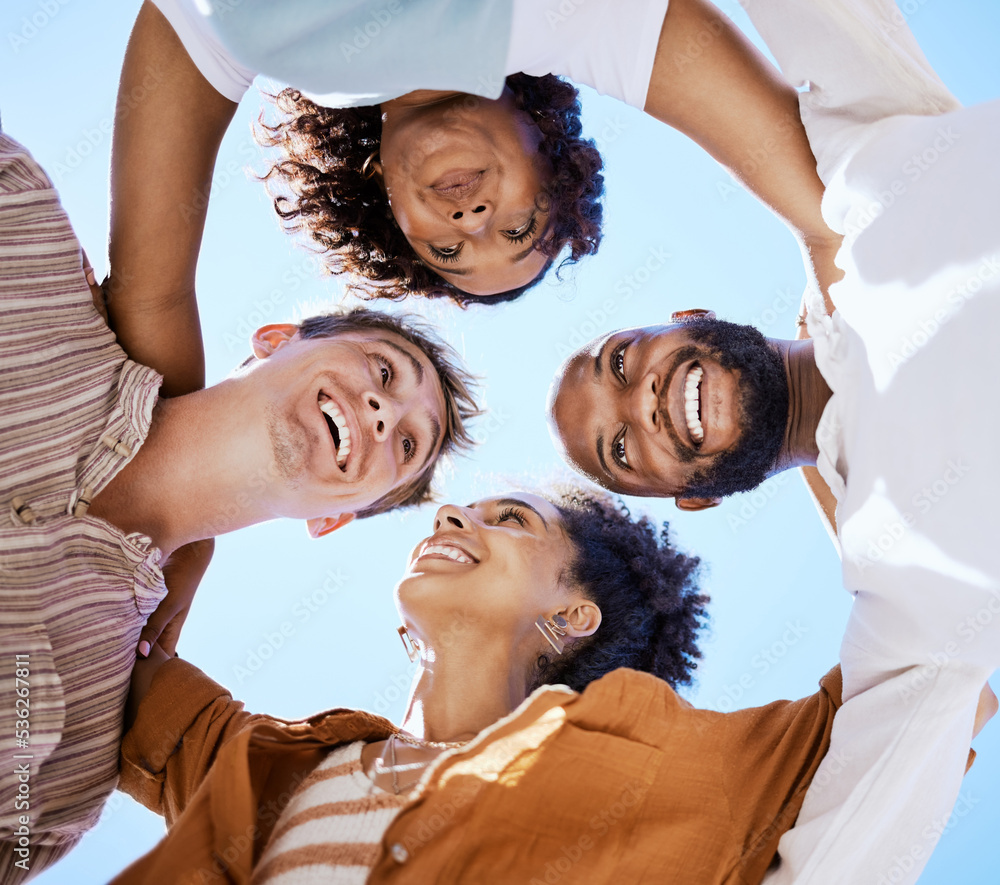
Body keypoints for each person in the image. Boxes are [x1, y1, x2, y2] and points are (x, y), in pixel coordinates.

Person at [549, 0, 1000, 881]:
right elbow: (847, 845)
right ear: (695, 494)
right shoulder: (901, 594)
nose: (639, 400)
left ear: (683, 317)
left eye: (618, 360)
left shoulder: (861, 173)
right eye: (620, 449)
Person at [0, 132, 479, 880]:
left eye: (408, 444)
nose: (385, 412)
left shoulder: (72, 771)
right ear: (274, 338)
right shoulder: (20, 231)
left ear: (333, 518)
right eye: (385, 368)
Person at [110, 488, 864, 884]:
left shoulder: (663, 769)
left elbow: (912, 677)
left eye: (510, 518)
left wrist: (804, 420)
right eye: (463, 507)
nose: (451, 513)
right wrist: (189, 528)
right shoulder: (266, 764)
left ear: (574, 613)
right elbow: (64, 625)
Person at [108, 0, 843, 403]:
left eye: (447, 250)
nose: (472, 222)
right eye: (522, 226)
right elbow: (828, 214)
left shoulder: (256, 41)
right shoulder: (566, 18)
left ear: (387, 203)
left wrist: (179, 537)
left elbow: (154, 293)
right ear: (543, 139)